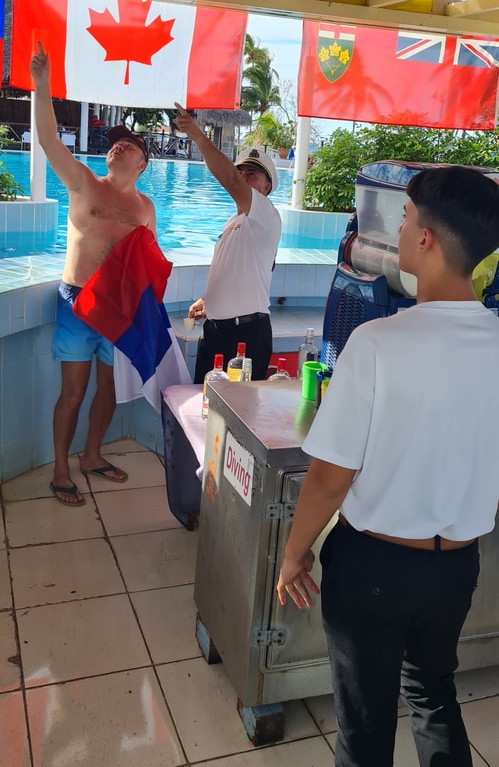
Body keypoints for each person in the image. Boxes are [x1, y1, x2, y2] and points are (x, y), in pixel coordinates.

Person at [276, 165, 499, 767]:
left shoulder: (378, 342)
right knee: (434, 696)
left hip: (374, 565)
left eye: (404, 219)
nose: (398, 231)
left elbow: (330, 478)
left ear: (425, 239)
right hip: (456, 566)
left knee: (364, 724)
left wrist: (295, 552)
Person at [30, 43, 156, 506]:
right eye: (116, 142)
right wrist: (42, 86)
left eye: (130, 144)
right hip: (77, 302)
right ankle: (61, 469)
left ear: (142, 165)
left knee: (108, 387)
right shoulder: (83, 182)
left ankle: (91, 454)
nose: (118, 144)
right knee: (74, 390)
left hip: (117, 310)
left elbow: (150, 264)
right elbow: (48, 140)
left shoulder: (146, 209)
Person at [173, 104, 281, 381]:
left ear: (266, 188)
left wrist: (198, 136)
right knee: (205, 403)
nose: (243, 177)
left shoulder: (266, 214)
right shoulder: (234, 222)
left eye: (252, 174)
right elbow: (236, 270)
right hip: (216, 332)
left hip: (245, 334)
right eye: (241, 171)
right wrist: (208, 301)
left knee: (235, 407)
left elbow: (231, 181)